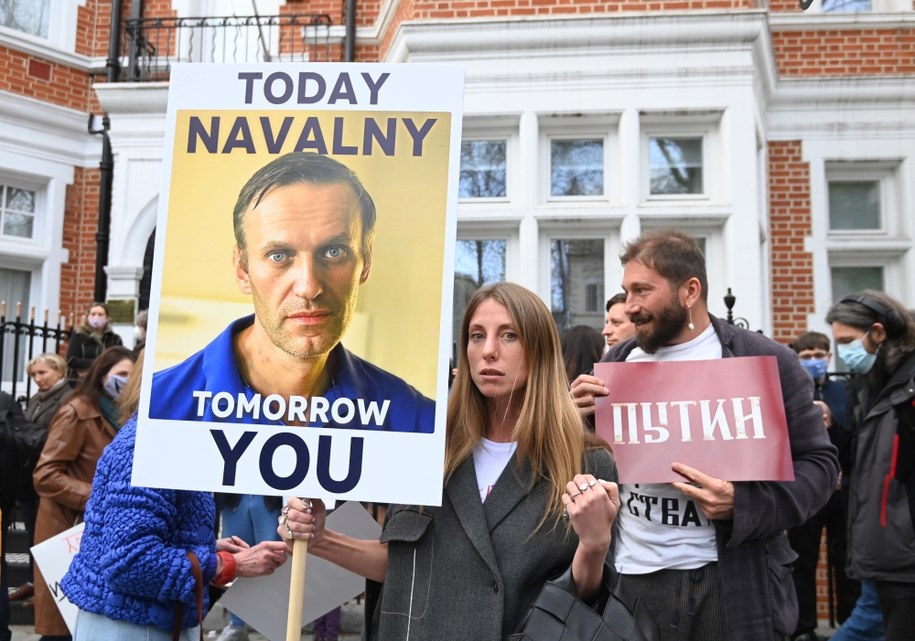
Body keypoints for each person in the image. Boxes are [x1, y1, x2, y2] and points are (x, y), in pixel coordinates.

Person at [280, 282, 620, 641]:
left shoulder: (585, 462)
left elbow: (581, 603)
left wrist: (595, 544)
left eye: (508, 336)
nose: (488, 351)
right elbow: (402, 566)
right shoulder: (427, 448)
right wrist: (319, 538)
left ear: (540, 351)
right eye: (476, 336)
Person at [570, 229, 839, 641]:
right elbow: (591, 464)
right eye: (626, 292)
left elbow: (819, 467)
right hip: (633, 581)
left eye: (642, 291)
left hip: (731, 582)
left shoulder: (763, 361)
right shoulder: (617, 363)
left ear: (689, 290)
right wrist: (576, 420)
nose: (631, 307)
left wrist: (744, 503)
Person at [150, 152, 434, 432]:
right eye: (279, 255)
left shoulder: (417, 424)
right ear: (242, 269)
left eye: (334, 252)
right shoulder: (158, 412)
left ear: (366, 263)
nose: (309, 287)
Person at [61, 350, 289, 640]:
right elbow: (130, 562)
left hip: (148, 621)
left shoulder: (174, 440)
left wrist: (207, 546)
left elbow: (148, 536)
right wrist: (229, 564)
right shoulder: (149, 446)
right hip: (133, 626)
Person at [825, 291, 915, 641]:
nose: (844, 351)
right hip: (883, 553)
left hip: (903, 557)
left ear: (878, 332)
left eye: (847, 340)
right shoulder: (871, 389)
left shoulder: (905, 390)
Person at [31, 345, 136, 641]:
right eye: (121, 375)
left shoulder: (128, 416)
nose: (128, 381)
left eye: (132, 374)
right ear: (102, 376)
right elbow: (46, 474)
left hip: (104, 531)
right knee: (63, 626)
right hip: (69, 526)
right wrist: (98, 496)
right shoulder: (77, 412)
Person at [788, 331, 859, 641]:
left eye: (819, 354)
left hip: (841, 491)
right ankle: (805, 628)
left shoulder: (844, 392)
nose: (814, 361)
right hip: (806, 490)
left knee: (844, 560)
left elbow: (855, 439)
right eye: (806, 357)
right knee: (803, 560)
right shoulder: (792, 392)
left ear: (829, 357)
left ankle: (847, 622)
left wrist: (834, 424)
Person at [7, 354, 73, 604]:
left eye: (42, 373)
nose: (37, 379)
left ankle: (44, 587)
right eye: (34, 375)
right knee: (34, 531)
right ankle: (34, 581)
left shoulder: (68, 398)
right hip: (29, 474)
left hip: (50, 473)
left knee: (49, 535)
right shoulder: (36, 398)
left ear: (59, 371)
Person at [213, 493, 284, 641]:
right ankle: (236, 625)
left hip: (269, 493)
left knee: (273, 561)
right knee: (233, 555)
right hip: (234, 493)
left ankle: (276, 626)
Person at [65, 302, 123, 380]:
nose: (96, 317)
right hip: (80, 381)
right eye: (93, 314)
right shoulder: (79, 335)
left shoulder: (115, 339)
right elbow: (71, 360)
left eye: (100, 314)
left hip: (105, 381)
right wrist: (100, 363)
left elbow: (118, 361)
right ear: (87, 316)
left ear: (107, 318)